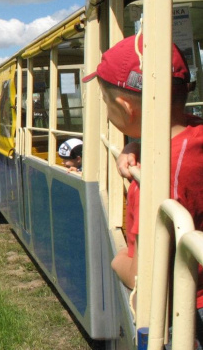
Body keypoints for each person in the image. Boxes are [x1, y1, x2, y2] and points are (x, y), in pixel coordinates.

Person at [82, 34, 203, 320]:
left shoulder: (155, 181)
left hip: (187, 311)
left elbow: (142, 276)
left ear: (125, 108)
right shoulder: (194, 132)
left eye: (105, 102)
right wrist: (134, 145)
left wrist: (116, 261)